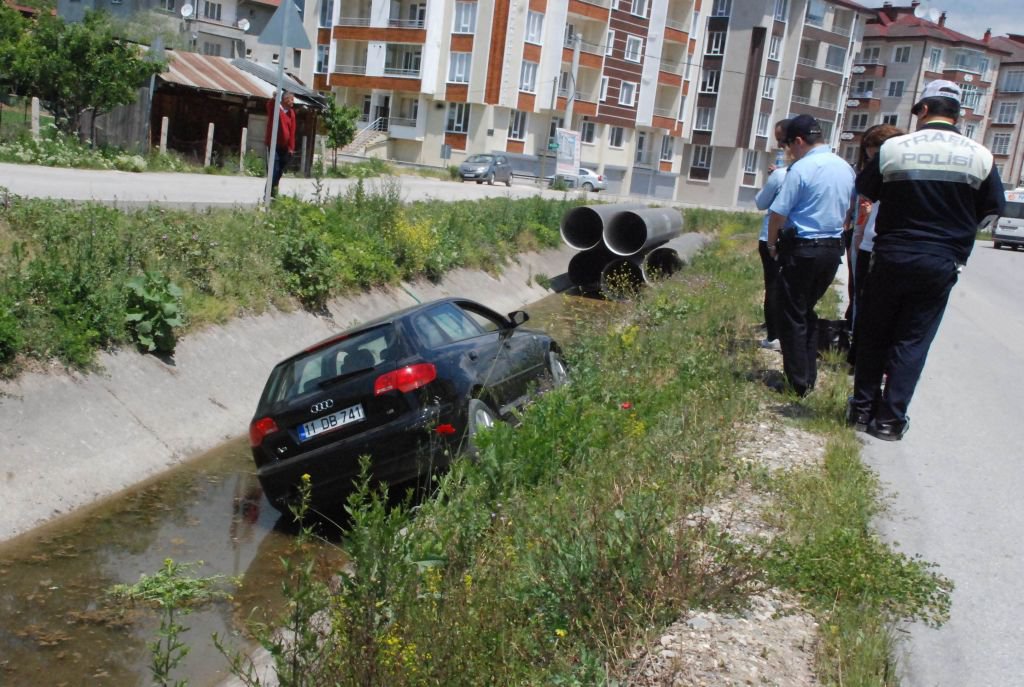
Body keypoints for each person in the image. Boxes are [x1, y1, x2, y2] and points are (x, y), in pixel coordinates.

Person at [847, 80, 1005, 440]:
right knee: (913, 340)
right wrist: (960, 232)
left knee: (874, 334)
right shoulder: (979, 155)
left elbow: (865, 189)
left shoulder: (894, 148)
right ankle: (889, 421)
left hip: (892, 253)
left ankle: (861, 410)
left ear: (921, 110)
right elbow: (992, 206)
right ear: (959, 115)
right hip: (941, 259)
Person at [766, 114, 856, 396]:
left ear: (800, 141)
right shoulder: (845, 167)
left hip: (803, 249)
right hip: (832, 250)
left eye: (789, 145)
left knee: (789, 313)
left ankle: (797, 383)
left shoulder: (802, 168)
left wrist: (771, 245)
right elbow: (850, 211)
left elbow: (778, 212)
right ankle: (808, 375)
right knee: (805, 311)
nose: (789, 151)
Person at [846, 124, 903, 367]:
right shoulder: (869, 174)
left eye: (874, 154)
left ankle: (866, 357)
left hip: (876, 243)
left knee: (873, 304)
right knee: (859, 297)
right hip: (864, 239)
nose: (871, 160)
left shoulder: (895, 171)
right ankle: (857, 350)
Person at [754, 119, 791, 351]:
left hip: (773, 237)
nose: (778, 145)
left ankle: (774, 334)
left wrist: (773, 180)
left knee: (774, 287)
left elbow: (761, 202)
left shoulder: (782, 175)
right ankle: (787, 331)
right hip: (806, 241)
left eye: (781, 140)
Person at [265, 91, 297, 198]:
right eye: (291, 99)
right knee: (273, 170)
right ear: (285, 99)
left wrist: (291, 148)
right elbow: (270, 105)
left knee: (279, 172)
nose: (293, 101)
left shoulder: (291, 113)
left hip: (285, 148)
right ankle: (267, 194)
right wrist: (274, 98)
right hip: (274, 145)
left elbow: (292, 132)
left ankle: (274, 193)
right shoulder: (276, 109)